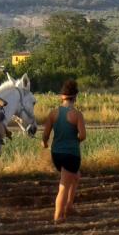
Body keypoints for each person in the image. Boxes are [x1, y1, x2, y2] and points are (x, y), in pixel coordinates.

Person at [40, 79, 86, 223]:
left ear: (62, 96)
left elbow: (45, 134)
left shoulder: (53, 113)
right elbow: (83, 135)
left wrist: (45, 142)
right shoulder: (77, 115)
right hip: (71, 154)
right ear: (75, 97)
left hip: (56, 154)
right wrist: (74, 141)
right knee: (64, 185)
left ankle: (69, 207)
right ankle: (58, 216)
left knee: (76, 176)